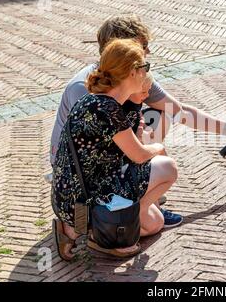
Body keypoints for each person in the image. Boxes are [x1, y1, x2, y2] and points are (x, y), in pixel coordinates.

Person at [50, 15, 226, 225]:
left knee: (160, 116)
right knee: (155, 201)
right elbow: (90, 151)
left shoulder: (137, 80)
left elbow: (179, 112)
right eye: (144, 46)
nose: (149, 52)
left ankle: (139, 203)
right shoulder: (84, 89)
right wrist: (151, 149)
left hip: (110, 153)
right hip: (81, 171)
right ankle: (99, 221)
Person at [51, 39, 177, 261]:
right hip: (89, 197)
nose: (147, 71)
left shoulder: (93, 100)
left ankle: (89, 228)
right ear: (132, 73)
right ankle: (100, 232)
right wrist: (157, 146)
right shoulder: (109, 109)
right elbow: (138, 155)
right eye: (144, 67)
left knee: (155, 224)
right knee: (168, 167)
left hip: (69, 193)